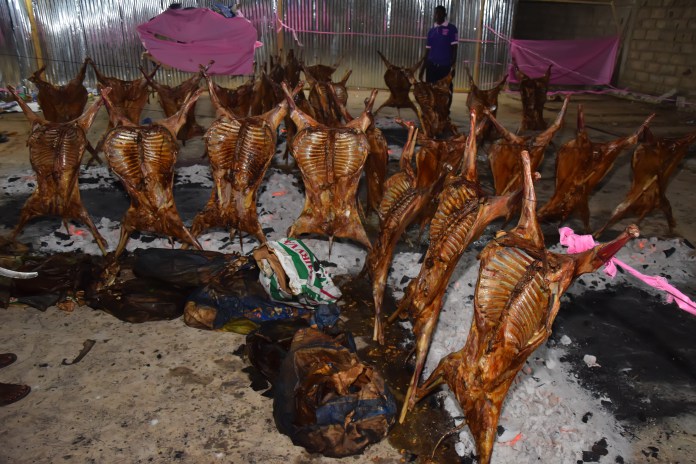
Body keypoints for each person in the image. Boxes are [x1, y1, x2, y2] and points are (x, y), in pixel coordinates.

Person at [419, 5, 458, 106]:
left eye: (440, 13)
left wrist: (453, 66)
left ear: (445, 14)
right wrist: (423, 68)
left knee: (446, 90)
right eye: (436, 13)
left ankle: (446, 111)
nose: (438, 15)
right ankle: (432, 109)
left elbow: (455, 48)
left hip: (444, 66)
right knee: (430, 89)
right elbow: (427, 51)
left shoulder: (451, 29)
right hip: (431, 66)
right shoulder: (431, 31)